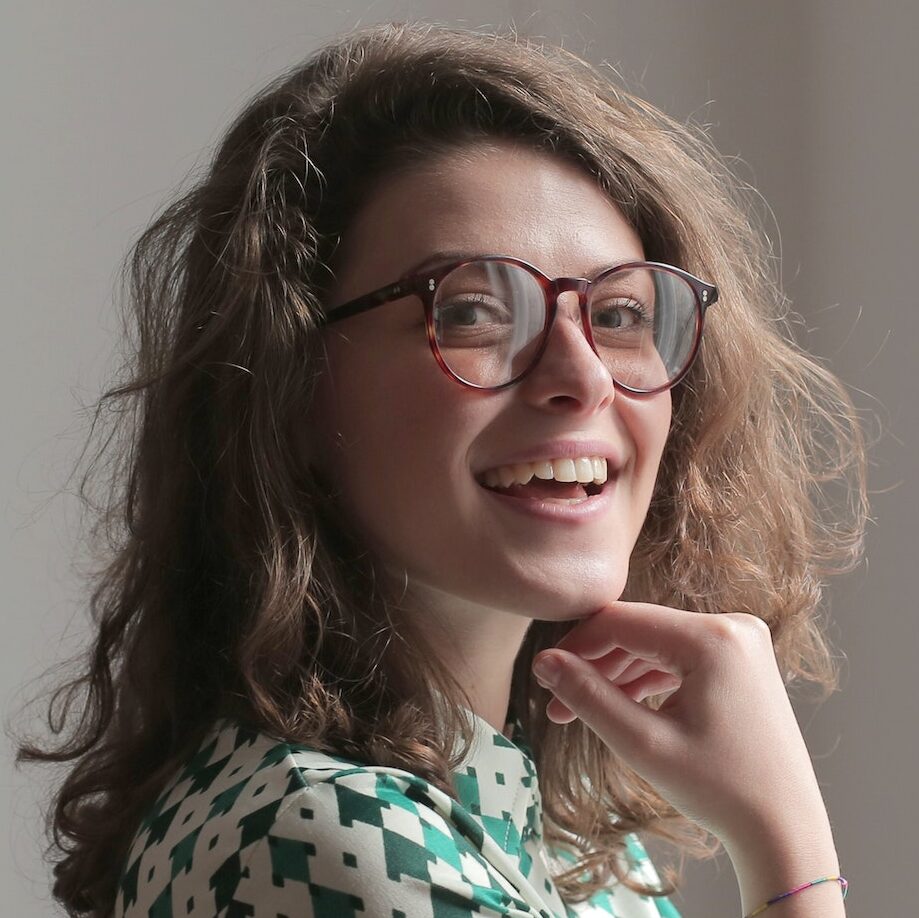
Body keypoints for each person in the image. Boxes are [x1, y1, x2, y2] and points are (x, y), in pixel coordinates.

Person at [15, 21, 867, 918]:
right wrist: (787, 848)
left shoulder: (567, 848)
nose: (582, 378)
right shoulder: (323, 837)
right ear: (290, 388)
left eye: (618, 314)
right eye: (471, 312)